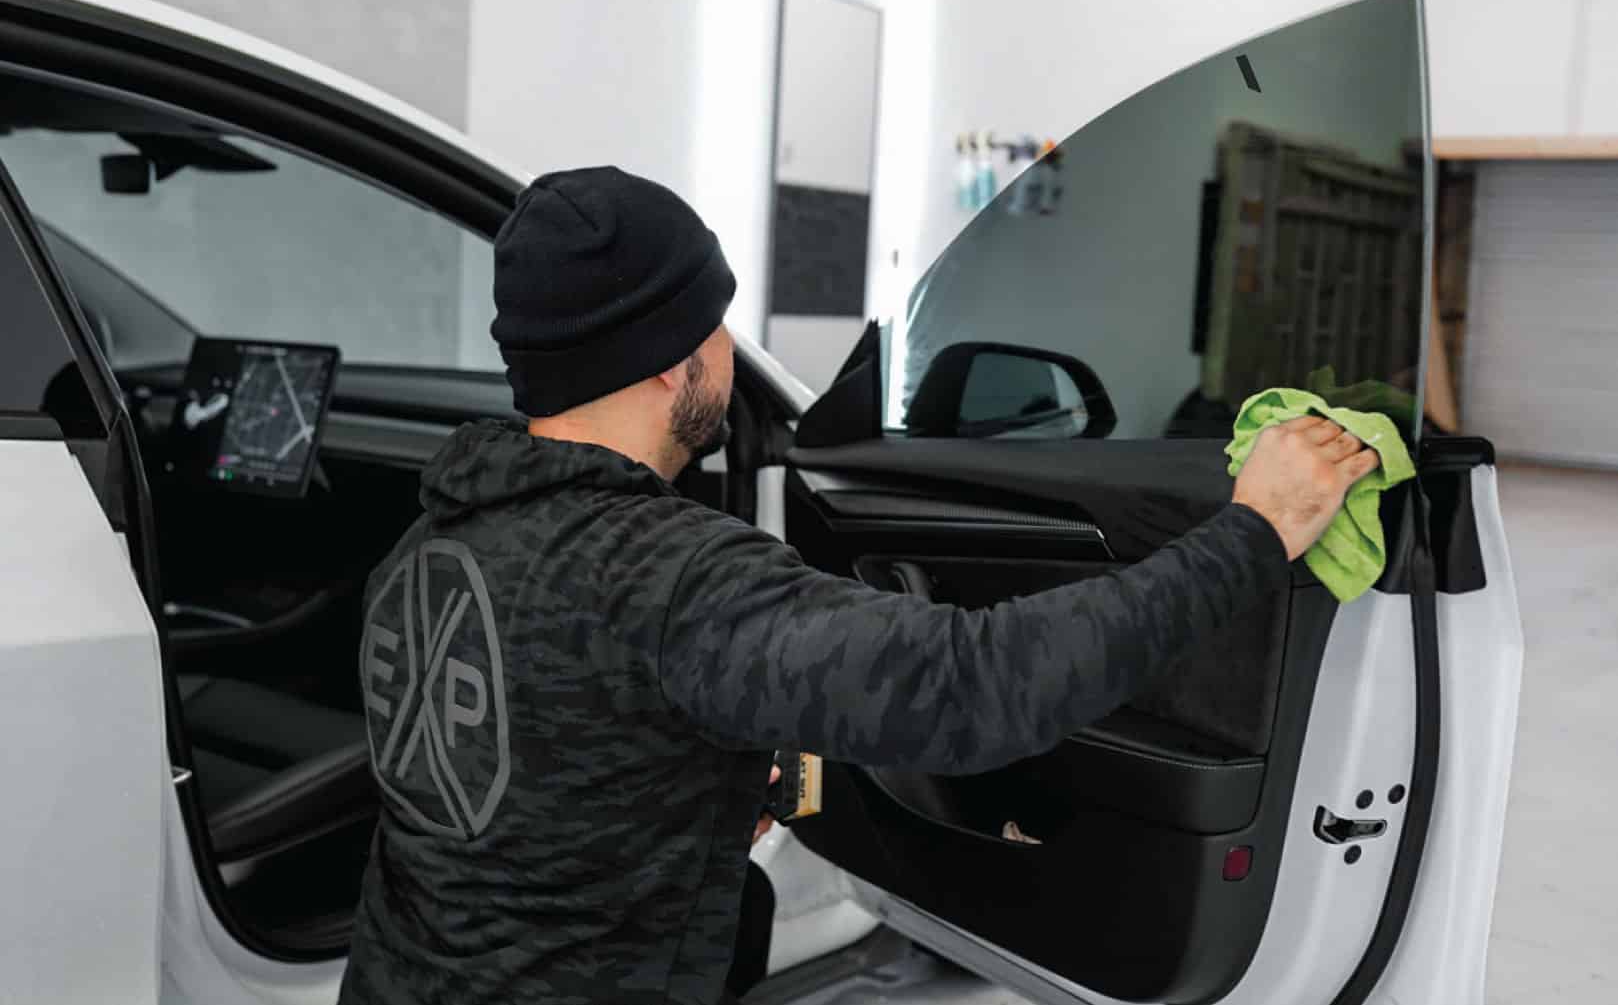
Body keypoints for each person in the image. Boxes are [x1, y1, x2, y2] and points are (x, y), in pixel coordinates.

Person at [338, 167, 1381, 1005]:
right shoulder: (673, 578)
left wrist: (694, 787)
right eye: (715, 322)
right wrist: (1253, 533)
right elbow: (976, 687)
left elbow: (523, 768)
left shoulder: (428, 546)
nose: (725, 349)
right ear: (663, 358)